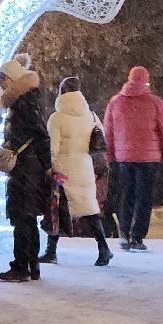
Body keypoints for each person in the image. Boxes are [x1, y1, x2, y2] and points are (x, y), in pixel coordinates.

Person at [40, 77, 113, 267]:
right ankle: (103, 248)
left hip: (63, 170)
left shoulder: (57, 118)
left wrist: (48, 168)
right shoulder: (91, 115)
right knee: (89, 209)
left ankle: (51, 251)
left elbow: (52, 149)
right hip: (84, 167)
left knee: (55, 210)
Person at [103, 65, 163, 252]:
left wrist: (109, 155)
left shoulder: (115, 102)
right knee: (144, 197)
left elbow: (108, 133)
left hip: (123, 157)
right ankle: (138, 236)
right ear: (146, 80)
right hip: (148, 158)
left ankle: (125, 232)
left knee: (126, 195)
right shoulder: (155, 103)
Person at [0, 54, 51, 283]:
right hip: (28, 167)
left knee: (22, 216)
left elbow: (40, 135)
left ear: (14, 79)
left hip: (26, 169)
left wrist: (46, 166)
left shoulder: (23, 104)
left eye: (3, 78)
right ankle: (32, 266)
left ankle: (21, 267)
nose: (0, 83)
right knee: (27, 218)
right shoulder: (24, 102)